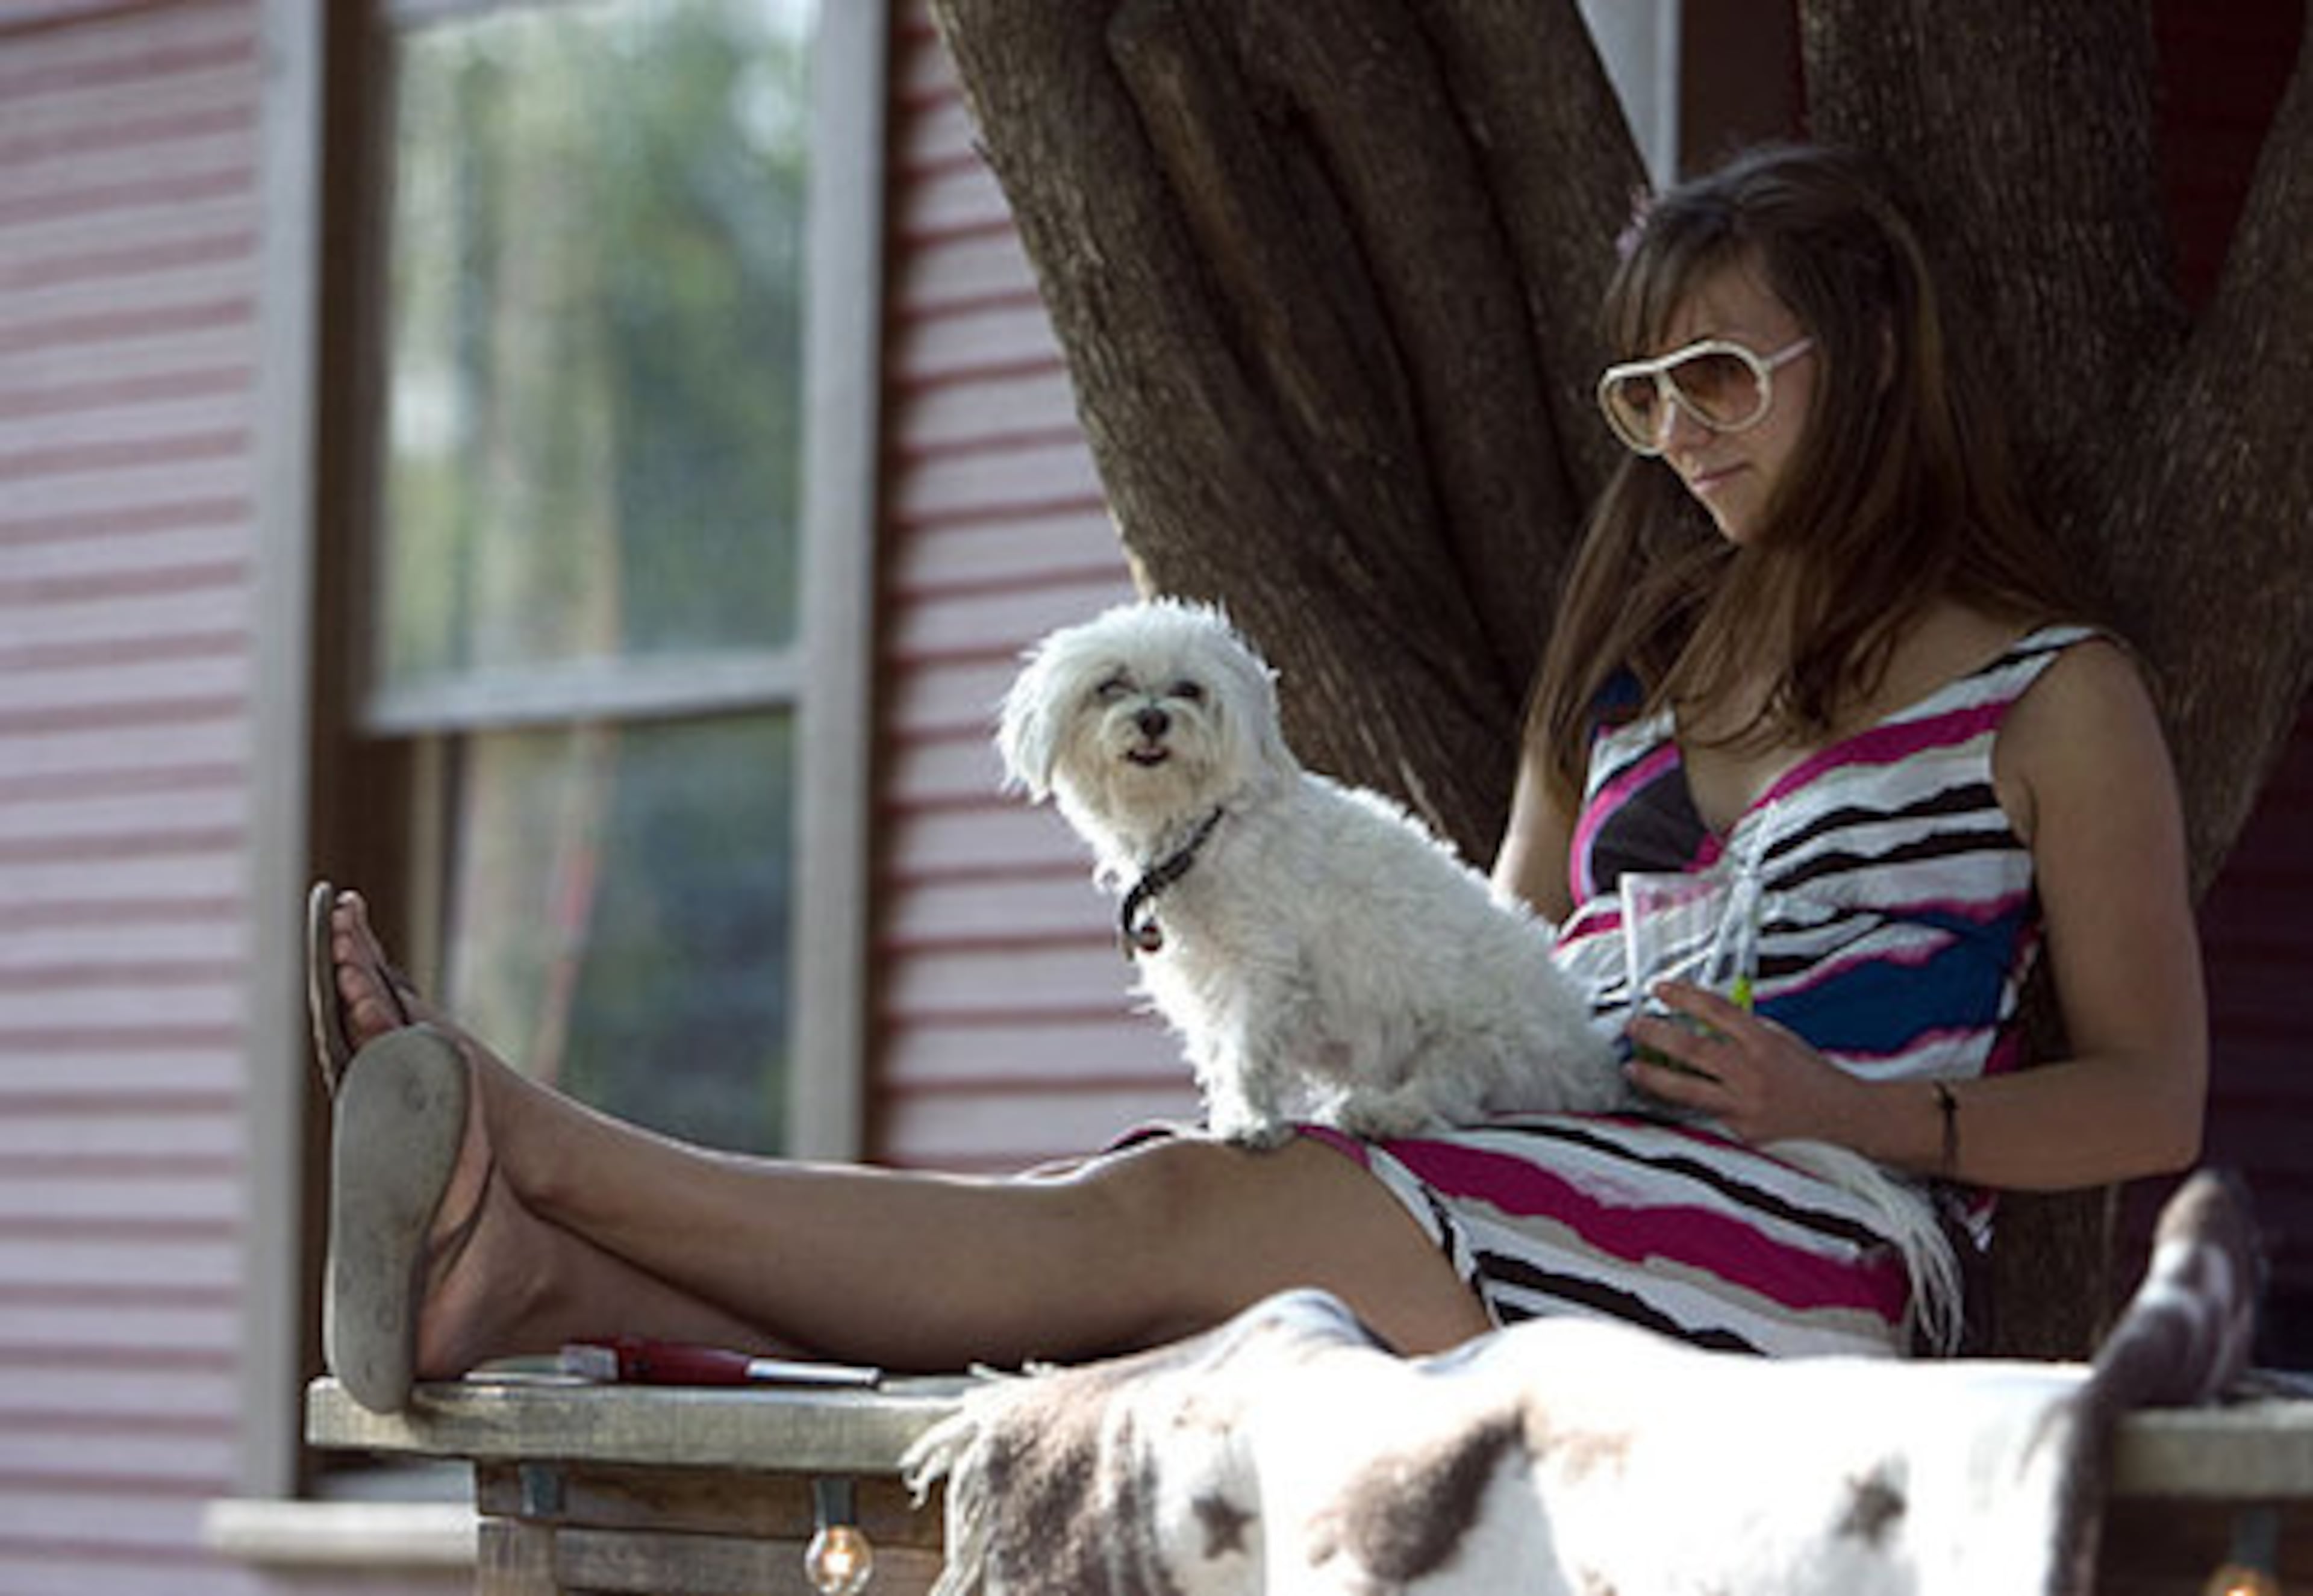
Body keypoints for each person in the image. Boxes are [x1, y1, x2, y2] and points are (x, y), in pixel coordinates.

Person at [313, 143, 2206, 1415]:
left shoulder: (2052, 697)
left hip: (1799, 1248)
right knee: (1148, 1254)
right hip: (1540, 1162)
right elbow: (1497, 955)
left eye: (1717, 376)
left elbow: (2151, 1095)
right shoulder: (1633, 669)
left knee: (1175, 1232)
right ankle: (543, 1285)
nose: (1676, 435)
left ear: (1869, 363)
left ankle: (534, 1143)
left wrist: (1866, 1113)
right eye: (1643, 399)